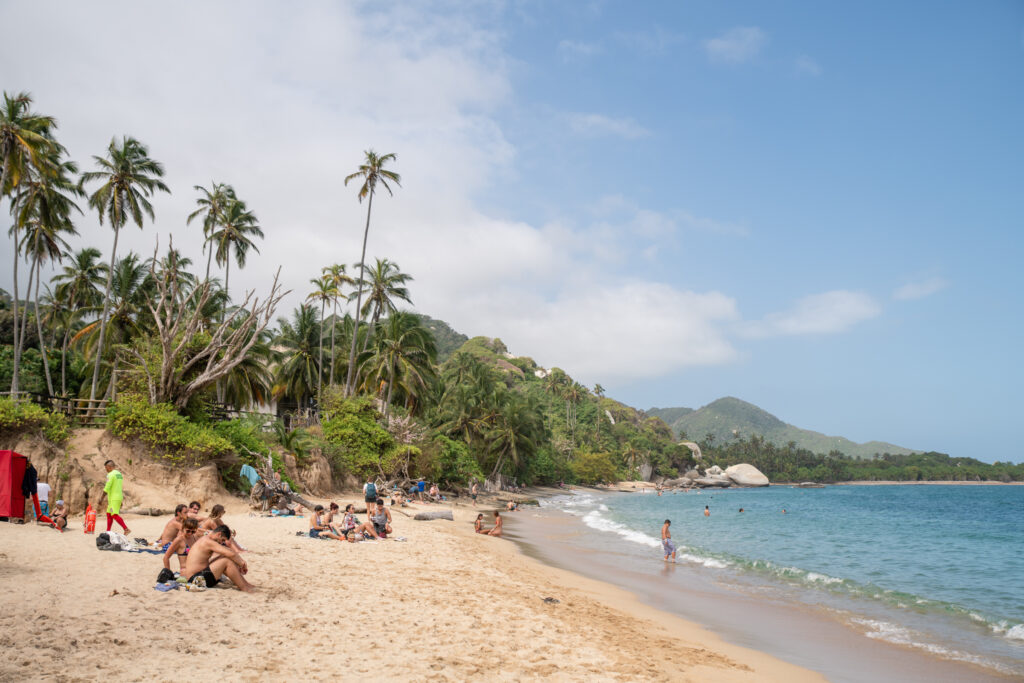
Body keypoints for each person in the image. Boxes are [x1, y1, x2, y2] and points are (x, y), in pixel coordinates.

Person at [183, 525, 253, 592]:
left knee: (224, 557)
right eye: (222, 540)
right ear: (219, 534)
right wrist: (242, 564)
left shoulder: (207, 539)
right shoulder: (208, 542)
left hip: (198, 576)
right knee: (226, 561)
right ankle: (245, 587)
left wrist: (240, 563)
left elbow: (228, 551)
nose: (221, 542)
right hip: (195, 580)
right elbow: (231, 554)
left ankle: (245, 584)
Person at [97, 460, 129, 534]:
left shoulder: (110, 474)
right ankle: (108, 531)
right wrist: (120, 500)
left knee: (114, 514)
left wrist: (101, 498)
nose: (106, 470)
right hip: (117, 497)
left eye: (106, 468)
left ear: (109, 467)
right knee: (108, 514)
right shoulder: (119, 474)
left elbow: (107, 487)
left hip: (114, 498)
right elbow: (118, 487)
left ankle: (126, 529)